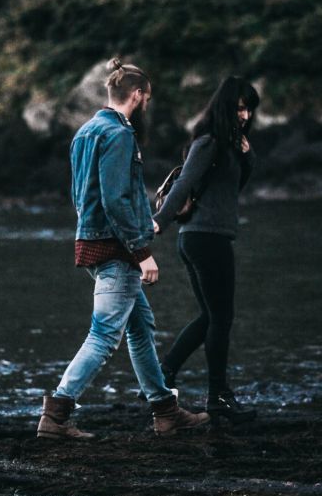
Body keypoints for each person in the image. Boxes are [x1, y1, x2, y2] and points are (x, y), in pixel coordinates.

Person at [36, 58, 210, 439]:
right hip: (116, 247)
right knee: (104, 334)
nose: (146, 105)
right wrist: (140, 250)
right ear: (137, 95)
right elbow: (115, 198)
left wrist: (143, 219)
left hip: (92, 241)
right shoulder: (119, 135)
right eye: (145, 98)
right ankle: (57, 415)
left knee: (140, 328)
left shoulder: (84, 132)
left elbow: (83, 196)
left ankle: (165, 411)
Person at [153, 76, 260, 423]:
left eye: (249, 109)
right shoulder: (208, 142)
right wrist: (158, 222)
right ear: (225, 106)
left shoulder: (230, 146)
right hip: (204, 238)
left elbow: (233, 190)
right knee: (222, 317)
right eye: (240, 107)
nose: (244, 115)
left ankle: (164, 375)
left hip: (208, 236)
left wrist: (247, 155)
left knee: (211, 317)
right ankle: (219, 397)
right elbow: (183, 183)